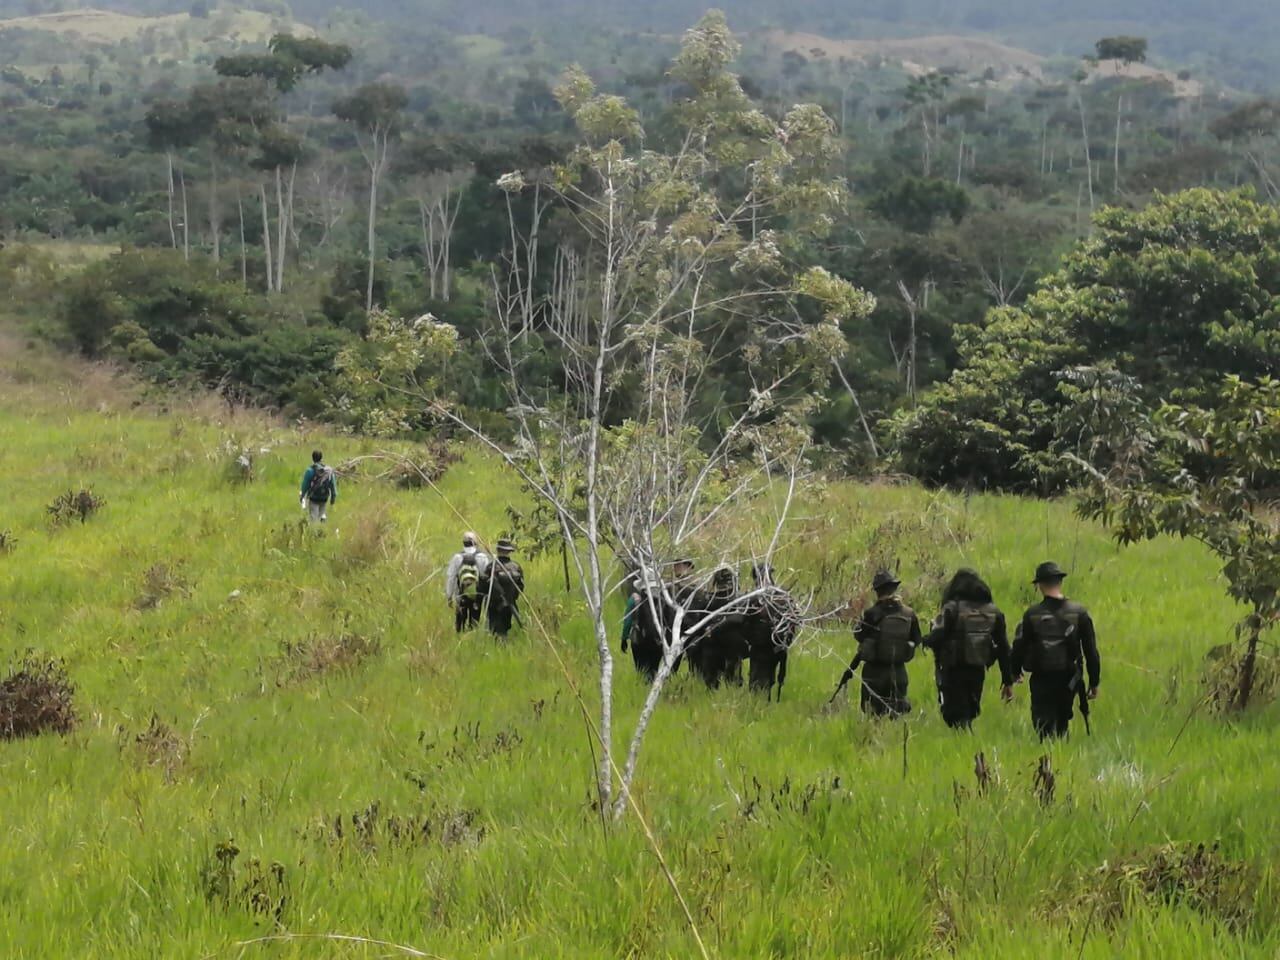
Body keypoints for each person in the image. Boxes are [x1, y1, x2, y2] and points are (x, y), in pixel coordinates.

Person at [1010, 561, 1101, 740]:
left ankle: (1047, 759)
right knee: (1062, 722)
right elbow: (1091, 651)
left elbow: (1020, 646)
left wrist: (1015, 672)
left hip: (1041, 678)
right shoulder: (1079, 613)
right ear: (1060, 582)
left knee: (1043, 724)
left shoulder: (1032, 614)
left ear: (1040, 585)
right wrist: (1094, 682)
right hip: (1068, 678)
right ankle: (1060, 756)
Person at [925, 568, 1014, 730]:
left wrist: (922, 641)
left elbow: (937, 636)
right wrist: (1007, 680)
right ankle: (966, 737)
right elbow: (1003, 648)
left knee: (955, 715)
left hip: (953, 669)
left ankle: (964, 740)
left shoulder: (952, 608)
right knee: (970, 711)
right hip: (978, 668)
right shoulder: (993, 612)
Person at [839, 570, 921, 718]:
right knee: (896, 714)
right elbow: (917, 639)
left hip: (874, 673)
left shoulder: (872, 613)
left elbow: (860, 636)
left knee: (873, 715)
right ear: (894, 588)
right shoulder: (909, 614)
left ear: (877, 591)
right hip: (899, 671)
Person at [743, 564, 800, 700]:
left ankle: (761, 708)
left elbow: (792, 621)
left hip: (768, 647)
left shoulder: (764, 598)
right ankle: (762, 706)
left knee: (762, 680)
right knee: (763, 679)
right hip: (769, 648)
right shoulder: (779, 597)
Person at [689, 567, 746, 689]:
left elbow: (700, 624)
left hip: (722, 645)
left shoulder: (712, 600)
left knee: (719, 680)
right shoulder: (736, 600)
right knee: (723, 680)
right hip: (719, 646)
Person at [481, 538, 525, 638]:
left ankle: (499, 645)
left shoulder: (491, 567)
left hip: (494, 605)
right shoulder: (516, 567)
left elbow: (483, 587)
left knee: (495, 629)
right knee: (505, 627)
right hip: (510, 604)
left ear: (498, 550)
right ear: (509, 551)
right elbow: (521, 587)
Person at [445, 533, 491, 614]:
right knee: (474, 621)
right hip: (477, 595)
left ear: (463, 542)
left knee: (460, 620)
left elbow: (451, 578)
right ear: (475, 542)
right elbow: (486, 577)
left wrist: (449, 596)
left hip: (460, 594)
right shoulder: (482, 557)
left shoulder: (457, 557)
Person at [299, 450, 337, 524]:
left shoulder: (310, 471)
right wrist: (333, 499)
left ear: (313, 459)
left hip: (314, 498)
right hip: (324, 497)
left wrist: (302, 496)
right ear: (321, 458)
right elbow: (333, 486)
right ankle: (322, 521)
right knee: (321, 513)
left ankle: (315, 531)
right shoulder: (328, 471)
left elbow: (305, 486)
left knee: (314, 518)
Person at [453, 549, 485, 632]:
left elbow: (457, 582)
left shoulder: (461, 570)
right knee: (474, 616)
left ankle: (460, 629)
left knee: (461, 614)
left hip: (462, 595)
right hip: (474, 596)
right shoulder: (475, 570)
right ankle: (472, 630)